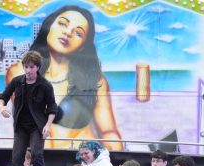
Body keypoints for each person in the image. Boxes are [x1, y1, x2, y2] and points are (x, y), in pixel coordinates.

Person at [6, 5, 122, 150]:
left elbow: (108, 132)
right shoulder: (18, 73)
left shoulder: (95, 81)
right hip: (42, 159)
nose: (67, 33)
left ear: (82, 46)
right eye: (62, 24)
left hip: (82, 163)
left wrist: (120, 162)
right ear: (49, 27)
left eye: (78, 33)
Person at [0, 51, 57, 166]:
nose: (29, 70)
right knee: (17, 157)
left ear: (37, 67)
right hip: (21, 126)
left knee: (37, 155)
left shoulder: (45, 85)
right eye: (26, 67)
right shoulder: (17, 82)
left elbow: (52, 108)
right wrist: (2, 108)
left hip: (38, 125)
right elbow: (3, 97)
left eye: (32, 67)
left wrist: (48, 125)